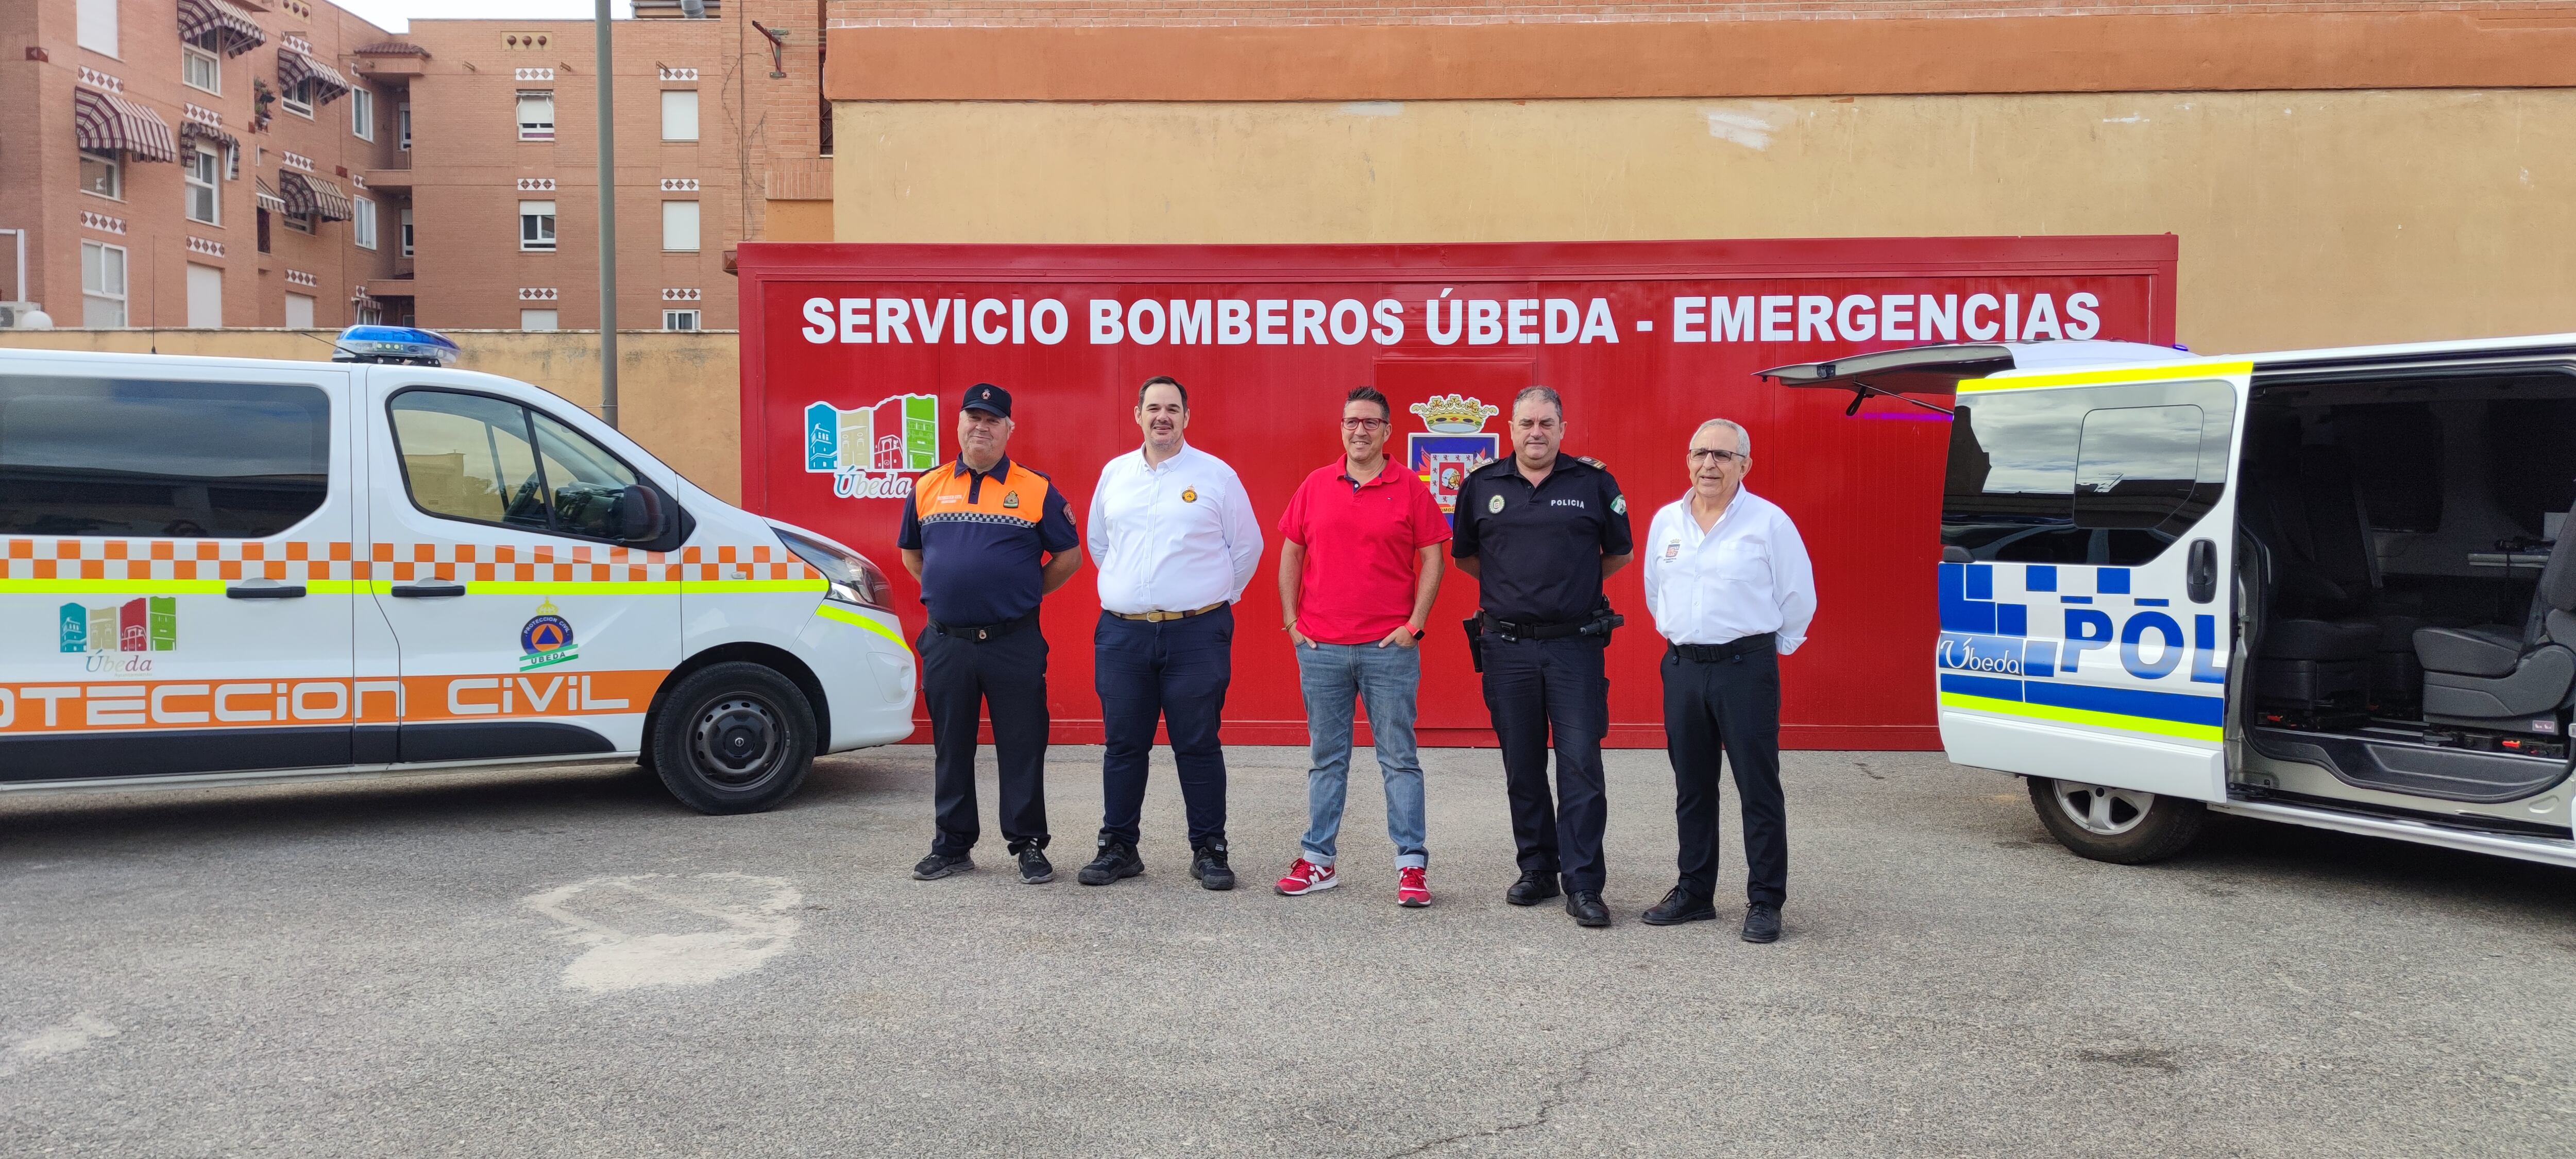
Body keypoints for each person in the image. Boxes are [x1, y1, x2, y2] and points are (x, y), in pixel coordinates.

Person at [1452, 386, 1633, 928]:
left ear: (1562, 428)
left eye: (1546, 423)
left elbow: (1618, 552)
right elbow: (1465, 557)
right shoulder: (1481, 485)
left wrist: (1568, 589)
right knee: (1522, 764)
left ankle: (1583, 884)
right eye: (1527, 423)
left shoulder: (1593, 482)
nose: (1536, 432)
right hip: (1506, 647)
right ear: (1510, 428)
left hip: (1574, 645)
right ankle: (1536, 868)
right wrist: (1516, 595)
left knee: (1581, 765)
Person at [1080, 375, 1264, 891]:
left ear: (1187, 417)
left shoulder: (1216, 476)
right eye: (1153, 408)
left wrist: (1208, 601)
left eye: (1173, 409)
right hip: (1123, 635)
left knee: (1198, 743)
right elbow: (1100, 544)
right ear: (1136, 414)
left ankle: (1209, 850)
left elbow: (1245, 548)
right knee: (1122, 745)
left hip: (1196, 634)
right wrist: (1135, 595)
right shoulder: (1114, 474)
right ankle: (1118, 846)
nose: (1163, 416)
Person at [897, 383, 1083, 885]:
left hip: (1012, 642)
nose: (981, 427)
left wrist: (1022, 596)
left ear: (1008, 430)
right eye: (972, 418)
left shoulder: (1036, 488)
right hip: (948, 643)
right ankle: (952, 845)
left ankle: (1026, 845)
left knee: (1022, 745)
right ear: (958, 425)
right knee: (950, 746)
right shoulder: (927, 487)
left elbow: (1068, 556)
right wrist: (947, 594)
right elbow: (912, 555)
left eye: (992, 420)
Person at [1638, 418, 1815, 943]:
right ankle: (1694, 891)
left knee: (1757, 788)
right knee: (1691, 787)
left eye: (1721, 455)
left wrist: (1766, 651)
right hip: (1683, 668)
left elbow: (1796, 596)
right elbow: (1655, 591)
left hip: (1745, 670)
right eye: (1699, 454)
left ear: (1744, 465)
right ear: (1687, 460)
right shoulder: (1666, 522)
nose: (1708, 465)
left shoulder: (1769, 523)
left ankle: (1764, 900)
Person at [1273, 386, 1450, 907]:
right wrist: (1291, 622)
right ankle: (1318, 860)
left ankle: (1411, 867)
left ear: (1387, 431)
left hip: (1387, 650)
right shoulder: (1314, 485)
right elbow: (1291, 552)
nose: (1359, 431)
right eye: (1351, 421)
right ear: (1341, 427)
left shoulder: (1411, 488)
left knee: (1398, 758)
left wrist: (1414, 625)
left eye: (1371, 423)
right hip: (1321, 647)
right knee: (1326, 758)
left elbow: (1433, 557)